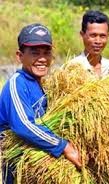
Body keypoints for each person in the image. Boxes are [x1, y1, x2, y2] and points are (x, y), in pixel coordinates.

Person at [0, 23, 82, 183]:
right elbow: (24, 125)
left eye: (47, 52)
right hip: (20, 171)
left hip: (38, 173)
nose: (42, 58)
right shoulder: (17, 84)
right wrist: (64, 146)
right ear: (19, 56)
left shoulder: (43, 85)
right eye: (34, 53)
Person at [68, 10, 109, 77]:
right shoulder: (71, 70)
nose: (98, 41)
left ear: (108, 36)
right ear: (82, 34)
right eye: (93, 35)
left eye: (102, 36)